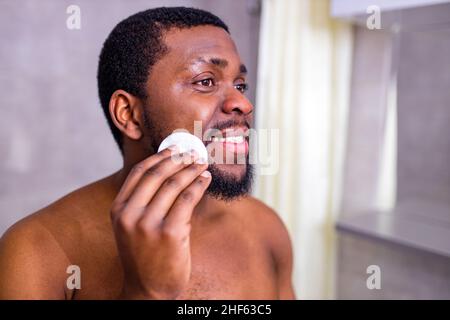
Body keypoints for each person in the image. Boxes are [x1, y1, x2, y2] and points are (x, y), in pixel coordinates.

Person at [0, 7, 295, 300]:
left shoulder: (264, 228)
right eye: (205, 81)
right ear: (129, 114)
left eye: (240, 85)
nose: (243, 103)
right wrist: (146, 293)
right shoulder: (34, 251)